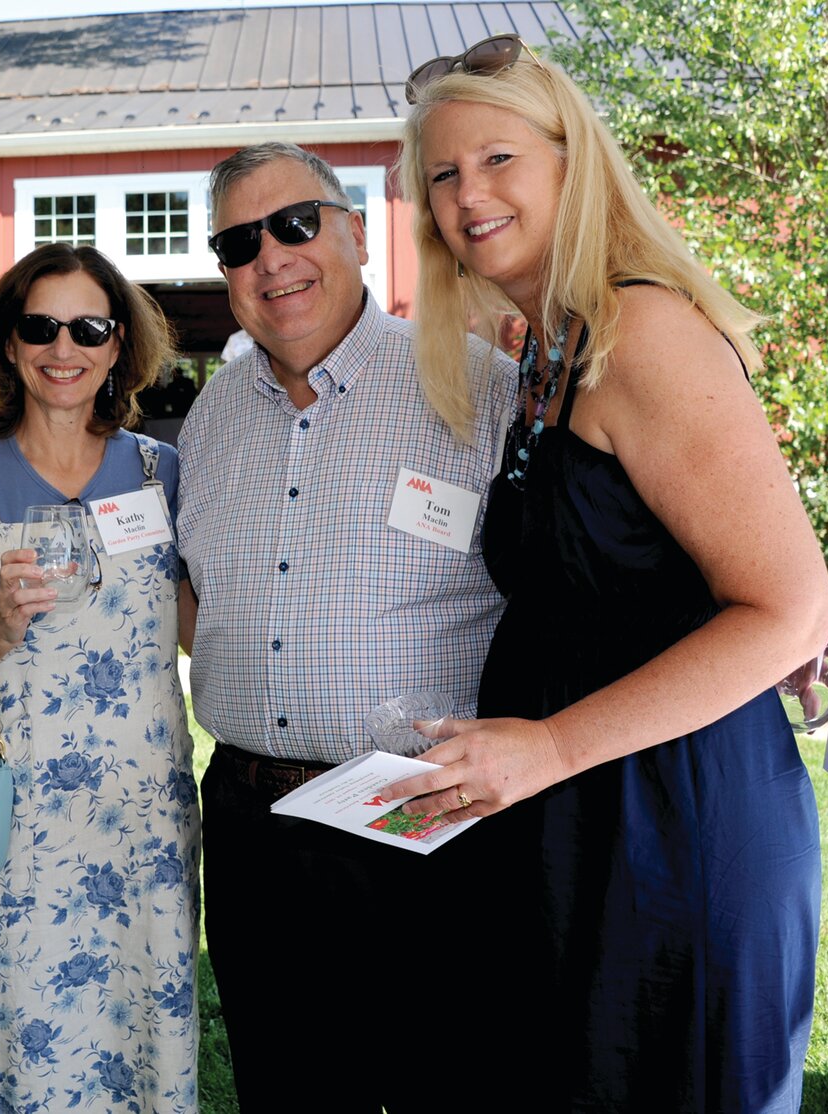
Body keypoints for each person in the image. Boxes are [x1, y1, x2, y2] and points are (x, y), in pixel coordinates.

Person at [387, 36, 828, 1111]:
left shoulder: (643, 335)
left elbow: (789, 607)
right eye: (442, 176)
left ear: (570, 161)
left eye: (497, 159)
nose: (467, 195)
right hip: (577, 823)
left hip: (676, 826)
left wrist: (549, 746)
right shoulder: (548, 350)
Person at [175, 141, 517, 1111]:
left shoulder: (477, 389)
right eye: (241, 243)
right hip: (251, 823)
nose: (272, 258)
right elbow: (199, 599)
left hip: (420, 821)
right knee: (282, 1088)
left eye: (295, 224)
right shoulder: (208, 423)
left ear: (356, 232)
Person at [0, 244, 199, 1113]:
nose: (63, 347)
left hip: (136, 824)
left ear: (117, 345)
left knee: (135, 1035)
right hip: (3, 821)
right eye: (40, 326)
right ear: (10, 342)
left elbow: (197, 632)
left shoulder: (162, 474)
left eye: (88, 326)